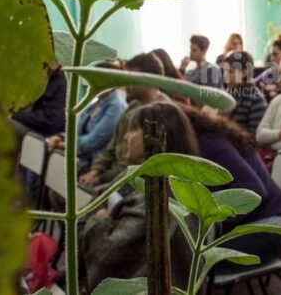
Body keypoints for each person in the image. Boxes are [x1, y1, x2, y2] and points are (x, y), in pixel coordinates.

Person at [79, 102, 198, 292]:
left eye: (133, 129)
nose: (126, 136)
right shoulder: (133, 175)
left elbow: (106, 256)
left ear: (158, 137)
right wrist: (100, 219)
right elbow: (87, 214)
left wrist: (97, 221)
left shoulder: (164, 199)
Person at [182, 104, 281, 271]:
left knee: (189, 262)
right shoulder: (204, 139)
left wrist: (214, 223)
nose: (127, 137)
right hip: (259, 220)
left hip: (268, 228)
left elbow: (254, 191)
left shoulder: (208, 143)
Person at [79, 53, 169, 187]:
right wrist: (95, 170)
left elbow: (137, 166)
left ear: (149, 79)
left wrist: (99, 179)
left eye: (130, 77)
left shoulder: (162, 112)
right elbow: (111, 147)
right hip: (113, 175)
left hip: (132, 182)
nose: (125, 82)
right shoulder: (133, 105)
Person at [45, 60, 128, 174]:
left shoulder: (117, 107)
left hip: (93, 164)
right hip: (78, 156)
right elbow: (76, 131)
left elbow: (92, 142)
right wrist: (60, 137)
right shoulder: (97, 102)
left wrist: (63, 144)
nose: (90, 82)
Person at [10, 62, 67, 140]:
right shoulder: (37, 75)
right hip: (27, 122)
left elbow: (53, 121)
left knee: (5, 124)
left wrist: (16, 115)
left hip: (43, 133)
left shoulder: (61, 84)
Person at [221, 51, 268, 137]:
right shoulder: (227, 93)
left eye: (230, 71)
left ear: (244, 73)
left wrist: (224, 123)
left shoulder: (255, 98)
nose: (225, 76)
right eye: (225, 71)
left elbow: (254, 135)